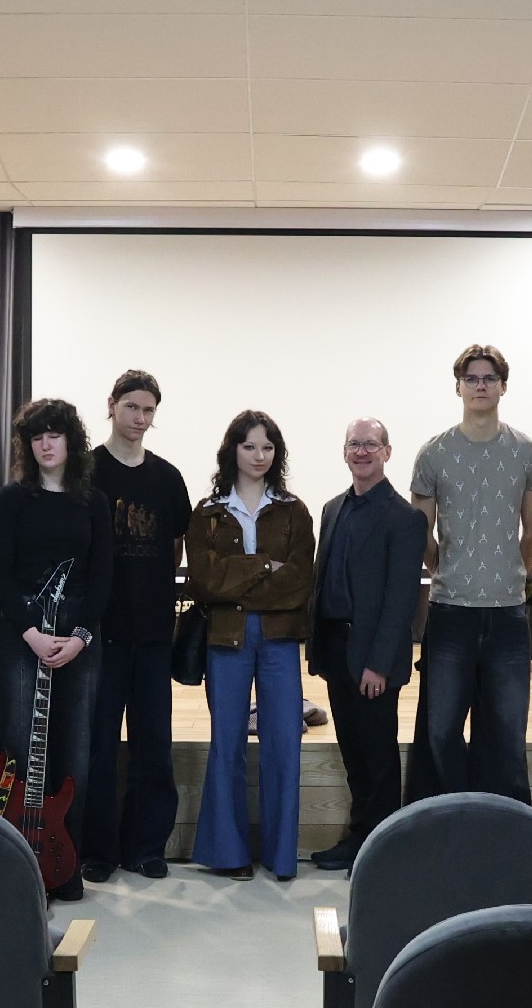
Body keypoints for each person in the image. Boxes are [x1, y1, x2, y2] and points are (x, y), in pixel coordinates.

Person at [410, 344, 532, 801]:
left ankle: (504, 827)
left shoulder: (527, 452)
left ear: (503, 386)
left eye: (489, 378)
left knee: (507, 734)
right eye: (472, 378)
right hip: (450, 612)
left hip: (507, 614)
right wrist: (445, 567)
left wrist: (512, 572)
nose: (480, 386)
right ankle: (453, 819)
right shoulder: (434, 454)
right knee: (442, 731)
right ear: (458, 387)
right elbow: (421, 532)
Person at [0, 398, 111, 902]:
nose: (45, 444)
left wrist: (81, 636)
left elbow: (103, 576)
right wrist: (31, 633)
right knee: (21, 749)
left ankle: (64, 863)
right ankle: (22, 865)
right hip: (24, 637)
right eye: (37, 436)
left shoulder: (93, 502)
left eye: (54, 435)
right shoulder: (14, 500)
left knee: (75, 751)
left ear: (70, 442)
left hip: (79, 640)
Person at [188, 410, 315, 881]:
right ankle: (229, 855)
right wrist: (264, 567)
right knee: (227, 744)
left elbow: (299, 582)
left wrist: (238, 578)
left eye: (267, 447)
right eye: (249, 446)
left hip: (279, 638)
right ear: (232, 450)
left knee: (285, 742)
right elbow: (206, 581)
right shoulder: (208, 512)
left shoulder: (294, 510)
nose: (259, 456)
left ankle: (281, 857)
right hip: (226, 637)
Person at [84, 371, 192, 882]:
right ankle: (99, 850)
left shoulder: (167, 477)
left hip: (152, 634)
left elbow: (174, 547)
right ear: (112, 405)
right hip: (100, 634)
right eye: (131, 406)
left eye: (148, 410)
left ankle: (146, 846)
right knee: (100, 745)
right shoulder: (87, 471)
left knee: (154, 745)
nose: (140, 418)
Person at [307, 416, 427, 872]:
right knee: (353, 754)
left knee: (377, 757)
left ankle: (381, 850)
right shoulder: (332, 509)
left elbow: (401, 600)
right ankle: (361, 839)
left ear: (387, 452)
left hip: (373, 658)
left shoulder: (405, 518)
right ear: (344, 452)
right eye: (354, 444)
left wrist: (377, 664)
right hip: (337, 649)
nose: (361, 452)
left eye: (370, 445)